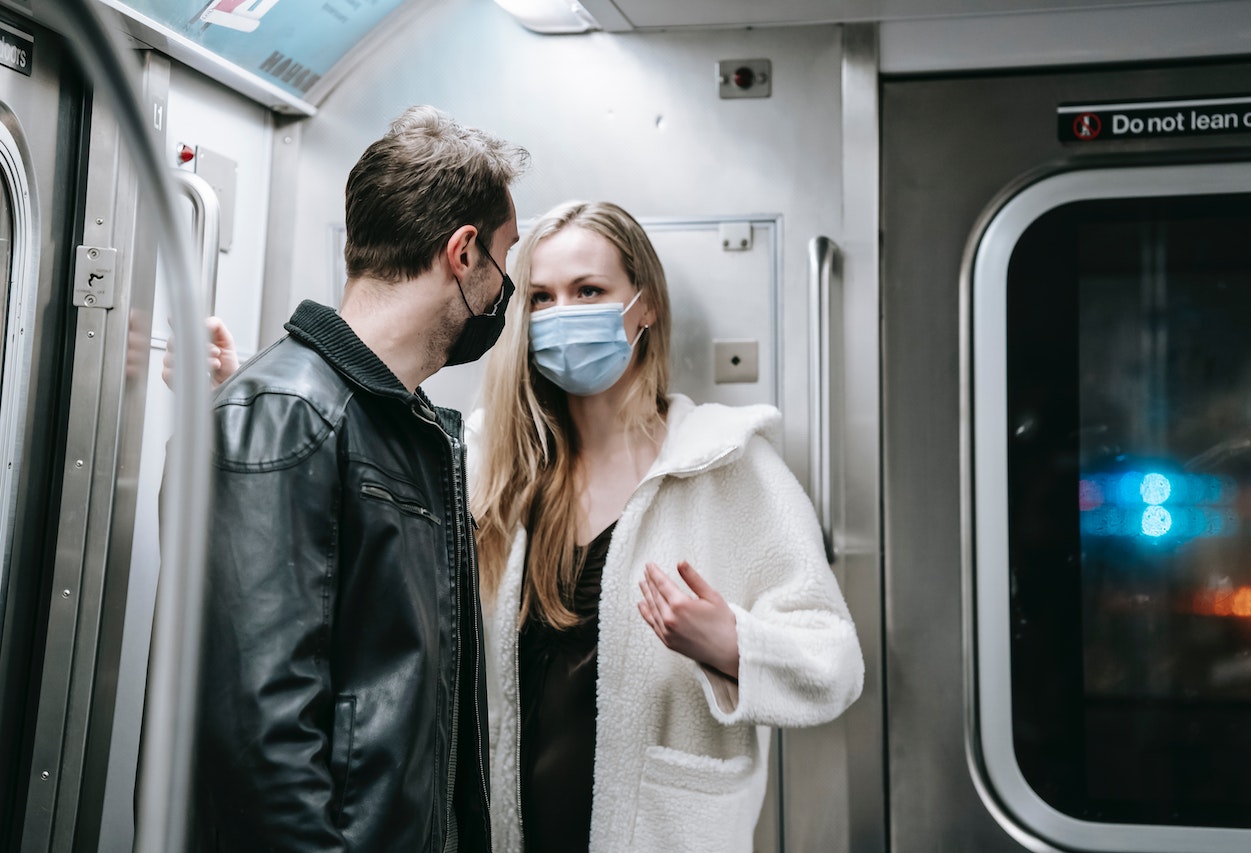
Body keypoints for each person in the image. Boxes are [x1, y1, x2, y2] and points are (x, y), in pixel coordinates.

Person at [470, 201, 864, 853]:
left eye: (589, 290)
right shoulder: (493, 469)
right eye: (542, 297)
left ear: (644, 305)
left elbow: (835, 665)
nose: (564, 314)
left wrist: (730, 643)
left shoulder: (726, 466)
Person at [189, 105, 527, 852]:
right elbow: (259, 733)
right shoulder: (285, 415)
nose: (505, 295)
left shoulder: (407, 426)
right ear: (463, 253)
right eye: (505, 262)